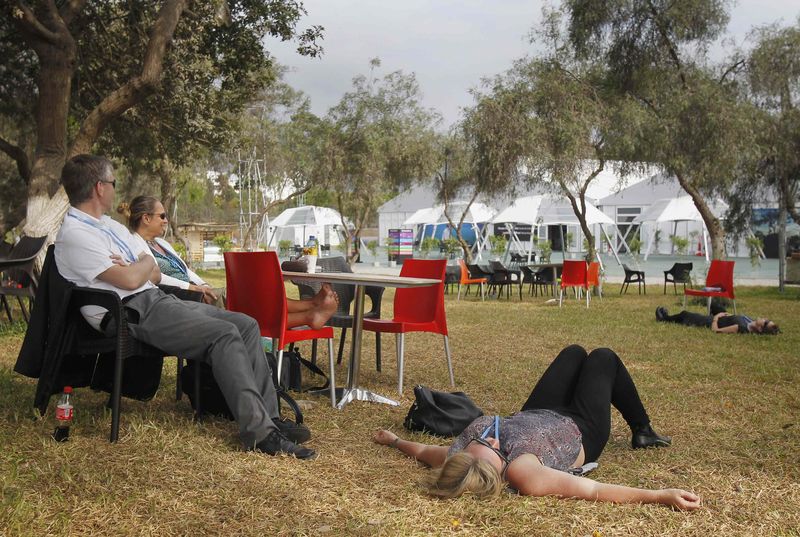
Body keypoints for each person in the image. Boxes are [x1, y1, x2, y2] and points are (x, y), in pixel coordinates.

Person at [55, 154, 335, 459]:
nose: (113, 189)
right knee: (224, 334)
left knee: (245, 324)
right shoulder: (77, 234)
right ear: (99, 187)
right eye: (112, 183)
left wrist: (142, 264)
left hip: (153, 299)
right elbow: (129, 279)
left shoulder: (110, 227)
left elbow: (154, 273)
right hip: (127, 310)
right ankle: (260, 434)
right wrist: (142, 263)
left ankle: (270, 418)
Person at [373, 345, 701, 510]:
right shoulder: (524, 473)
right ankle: (642, 429)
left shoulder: (461, 456)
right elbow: (594, 490)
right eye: (489, 449)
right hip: (581, 428)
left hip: (536, 413)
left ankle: (638, 424)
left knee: (573, 353)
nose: (485, 441)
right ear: (499, 469)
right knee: (602, 358)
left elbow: (424, 451)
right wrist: (660, 496)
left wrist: (395, 440)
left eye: (478, 444)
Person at [655, 306, 779, 335]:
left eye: (766, 322)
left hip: (710, 321)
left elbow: (716, 330)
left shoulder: (741, 327)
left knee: (685, 314)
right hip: (721, 317)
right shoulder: (750, 321)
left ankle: (664, 318)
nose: (766, 319)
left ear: (760, 328)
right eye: (768, 320)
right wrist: (727, 314)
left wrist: (716, 317)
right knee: (715, 304)